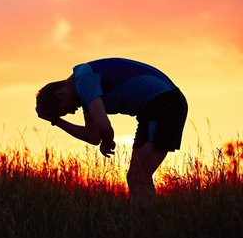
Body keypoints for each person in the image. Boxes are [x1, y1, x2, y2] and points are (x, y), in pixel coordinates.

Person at [35, 57, 188, 210]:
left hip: (164, 102)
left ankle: (144, 225)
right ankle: (145, 224)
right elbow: (94, 136)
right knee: (138, 176)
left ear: (60, 95)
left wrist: (107, 141)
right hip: (159, 105)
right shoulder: (85, 91)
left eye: (64, 110)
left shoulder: (84, 80)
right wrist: (56, 121)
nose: (71, 112)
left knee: (138, 176)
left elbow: (105, 128)